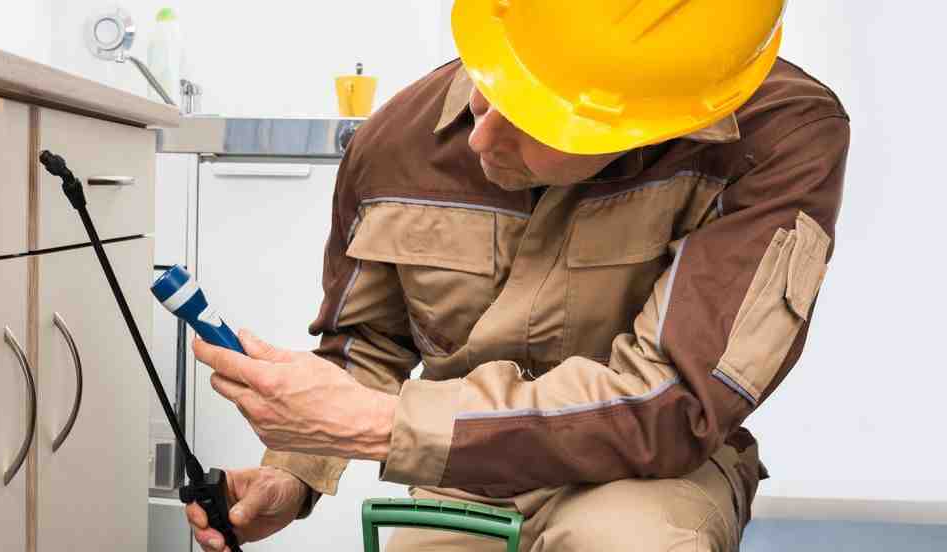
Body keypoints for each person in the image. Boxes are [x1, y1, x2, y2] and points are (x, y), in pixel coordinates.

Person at [185, 1, 848, 550]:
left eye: (533, 116)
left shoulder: (779, 139)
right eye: (490, 78)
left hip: (652, 477)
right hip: (463, 478)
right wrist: (293, 474)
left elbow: (673, 403)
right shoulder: (393, 142)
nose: (479, 134)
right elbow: (370, 343)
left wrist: (386, 425)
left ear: (638, 127)